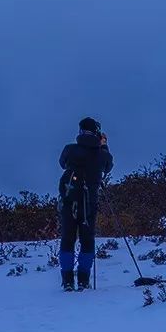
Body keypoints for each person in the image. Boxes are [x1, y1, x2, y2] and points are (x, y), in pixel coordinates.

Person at [58, 116, 113, 291]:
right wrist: (103, 144)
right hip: (89, 203)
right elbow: (108, 166)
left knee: (67, 239)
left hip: (69, 201)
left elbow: (62, 163)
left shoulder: (70, 149)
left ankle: (67, 281)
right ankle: (83, 280)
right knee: (87, 240)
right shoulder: (101, 154)